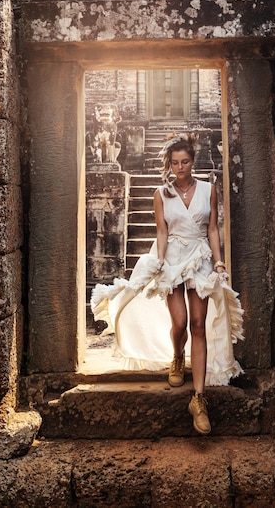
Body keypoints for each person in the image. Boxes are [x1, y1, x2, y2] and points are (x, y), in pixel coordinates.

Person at [91, 132, 244, 435]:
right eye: (175, 163)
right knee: (181, 322)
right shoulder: (161, 194)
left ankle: (198, 399)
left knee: (198, 323)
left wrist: (219, 260)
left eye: (185, 162)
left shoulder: (208, 190)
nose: (180, 168)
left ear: (192, 161)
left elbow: (212, 228)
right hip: (172, 257)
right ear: (169, 164)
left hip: (199, 257)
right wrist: (159, 260)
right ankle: (177, 356)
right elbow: (161, 231)